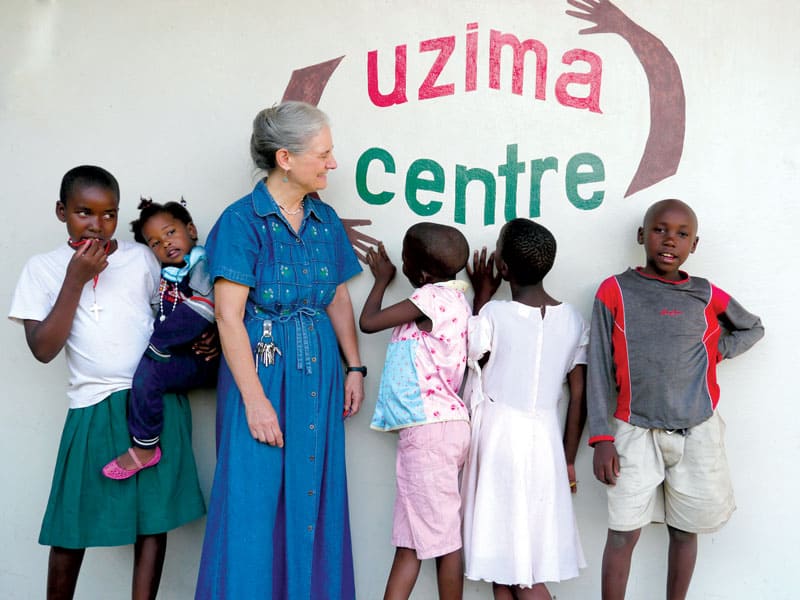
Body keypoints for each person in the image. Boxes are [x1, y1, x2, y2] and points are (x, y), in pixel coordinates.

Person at [8, 165, 206, 600]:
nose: (97, 225)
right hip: (92, 406)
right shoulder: (42, 269)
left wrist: (204, 343)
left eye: (109, 214)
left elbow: (177, 310)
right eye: (84, 212)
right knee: (72, 520)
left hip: (153, 404)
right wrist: (75, 279)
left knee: (152, 520)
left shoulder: (140, 258)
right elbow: (43, 349)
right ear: (61, 212)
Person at [195, 101, 365, 600]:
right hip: (262, 374)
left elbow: (337, 294)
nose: (333, 163)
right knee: (253, 498)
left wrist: (353, 365)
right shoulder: (241, 221)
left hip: (319, 374)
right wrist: (254, 401)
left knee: (315, 496)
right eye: (324, 153)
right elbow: (229, 317)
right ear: (286, 157)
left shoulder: (324, 217)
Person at [587, 199, 765, 600]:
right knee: (623, 533)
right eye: (660, 230)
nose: (670, 240)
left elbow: (752, 328)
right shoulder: (614, 290)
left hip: (697, 428)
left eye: (682, 234)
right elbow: (598, 365)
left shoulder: (704, 293)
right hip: (633, 428)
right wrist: (601, 438)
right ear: (641, 236)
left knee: (685, 531)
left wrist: (716, 351)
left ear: (694, 244)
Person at [460, 218, 587, 600]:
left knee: (514, 569)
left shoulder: (494, 314)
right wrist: (568, 459)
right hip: (546, 445)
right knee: (512, 565)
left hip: (499, 441)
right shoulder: (574, 321)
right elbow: (578, 396)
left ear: (501, 267)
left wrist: (482, 296)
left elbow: (473, 354)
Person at [360, 223, 472, 600]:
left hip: (429, 430)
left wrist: (380, 280)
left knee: (444, 540)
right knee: (410, 540)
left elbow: (369, 322)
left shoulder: (430, 297)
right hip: (437, 429)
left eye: (405, 257)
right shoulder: (459, 300)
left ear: (421, 273)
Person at [102, 198, 219, 479]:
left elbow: (203, 308)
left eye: (169, 233)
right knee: (146, 375)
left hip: (208, 360)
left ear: (191, 229)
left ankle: (144, 447)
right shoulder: (165, 276)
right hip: (183, 353)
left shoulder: (203, 263)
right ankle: (145, 442)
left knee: (150, 368)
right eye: (154, 243)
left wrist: (158, 344)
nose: (165, 243)